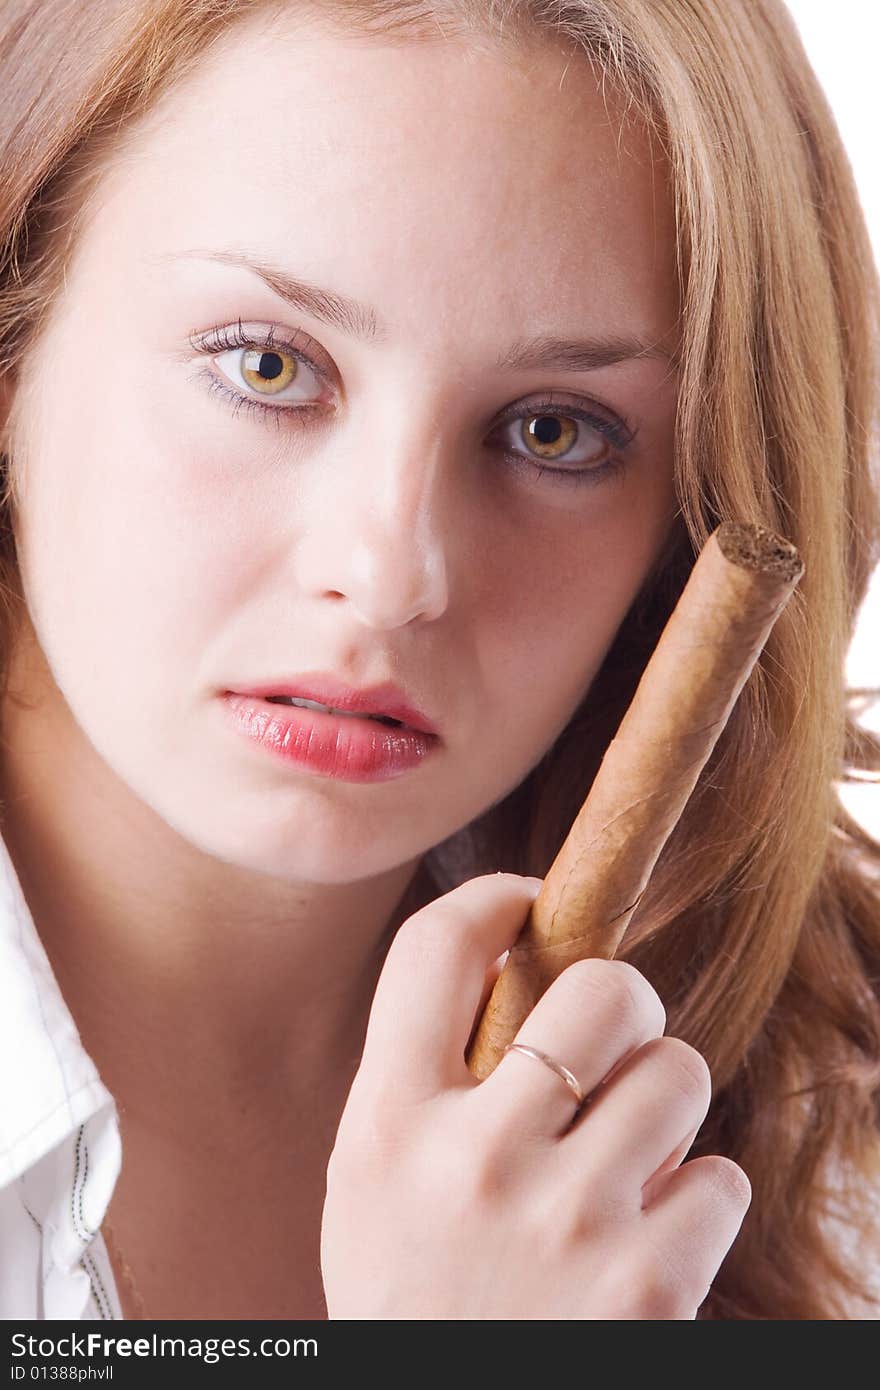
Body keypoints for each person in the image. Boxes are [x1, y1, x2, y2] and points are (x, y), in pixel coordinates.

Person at [0, 0, 878, 1322]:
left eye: (552, 432)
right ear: (17, 349)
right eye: (268, 362)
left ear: (684, 528)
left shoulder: (818, 1174)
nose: (397, 568)